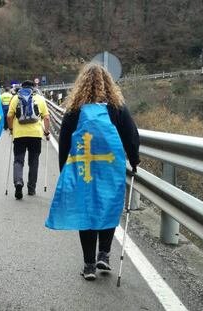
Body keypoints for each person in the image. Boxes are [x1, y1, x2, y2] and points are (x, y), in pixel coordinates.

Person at [45, 64, 140, 281]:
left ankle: (89, 265)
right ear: (109, 83)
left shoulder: (75, 110)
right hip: (111, 169)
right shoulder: (117, 108)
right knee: (108, 207)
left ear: (81, 84)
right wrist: (134, 161)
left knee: (86, 212)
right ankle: (104, 255)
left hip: (83, 170)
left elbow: (65, 143)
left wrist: (65, 173)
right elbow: (131, 136)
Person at [7, 80, 50, 199]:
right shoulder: (40, 99)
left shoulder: (16, 98)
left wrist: (11, 129)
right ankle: (31, 189)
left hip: (19, 135)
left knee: (18, 161)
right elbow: (46, 118)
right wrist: (46, 132)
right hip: (36, 135)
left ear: (22, 87)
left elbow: (9, 116)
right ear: (34, 87)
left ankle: (18, 183)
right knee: (34, 162)